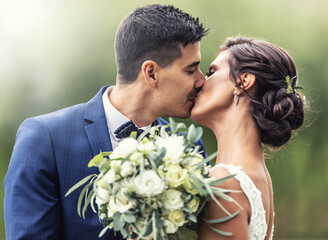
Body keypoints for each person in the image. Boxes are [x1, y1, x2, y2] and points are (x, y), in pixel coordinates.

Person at [4, 4, 208, 240]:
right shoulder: (44, 138)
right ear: (151, 73)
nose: (202, 81)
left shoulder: (188, 150)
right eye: (191, 70)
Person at [192, 36, 305, 240]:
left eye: (211, 72)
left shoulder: (226, 182)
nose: (200, 82)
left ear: (242, 82)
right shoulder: (253, 176)